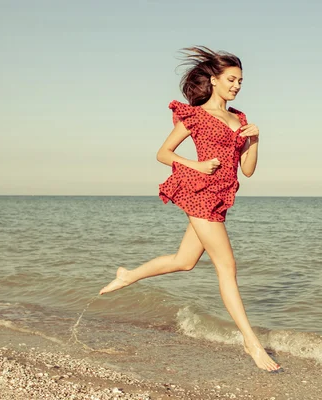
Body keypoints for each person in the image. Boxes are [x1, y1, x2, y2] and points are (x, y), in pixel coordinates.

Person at [99, 46, 281, 372]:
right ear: (214, 80)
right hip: (198, 192)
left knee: (184, 261)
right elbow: (163, 153)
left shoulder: (240, 119)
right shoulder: (196, 116)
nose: (237, 85)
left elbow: (248, 170)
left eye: (240, 80)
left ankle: (129, 275)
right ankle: (251, 343)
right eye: (231, 79)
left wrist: (254, 140)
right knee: (227, 267)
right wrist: (196, 165)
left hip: (221, 196)